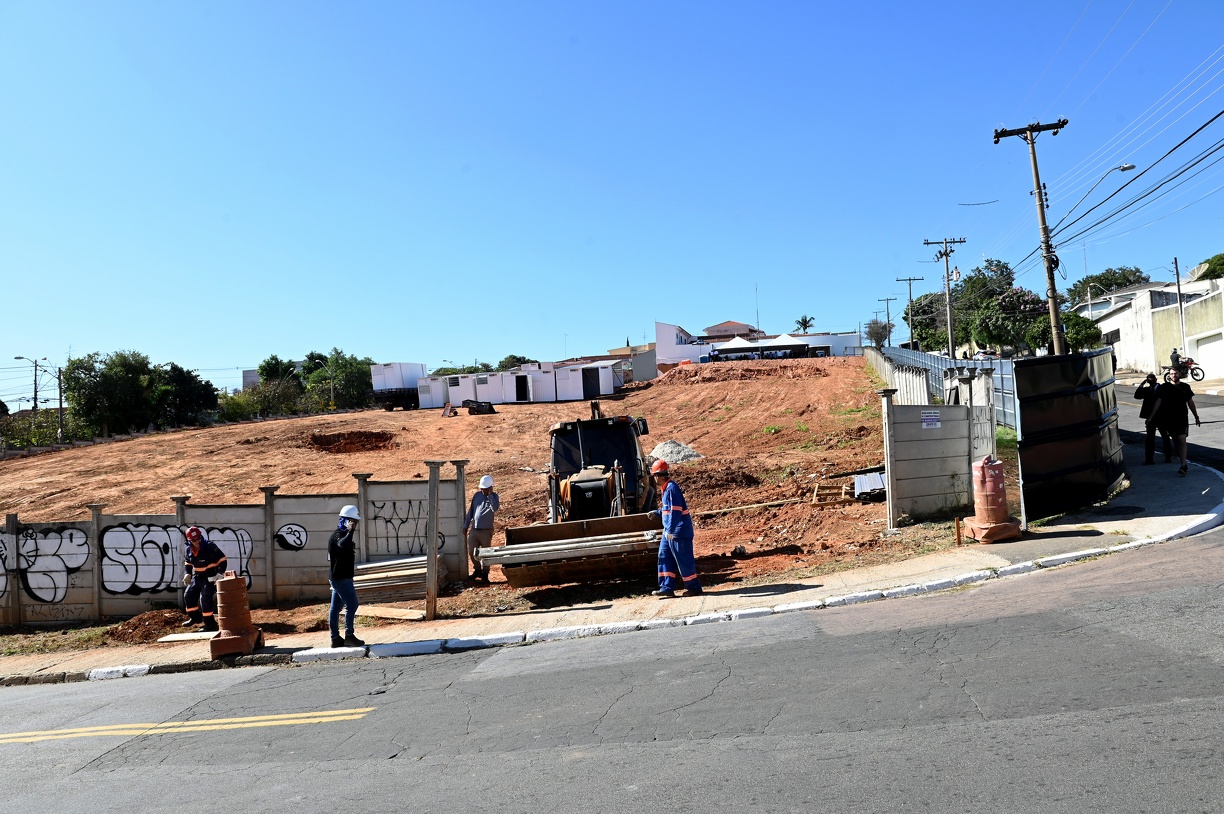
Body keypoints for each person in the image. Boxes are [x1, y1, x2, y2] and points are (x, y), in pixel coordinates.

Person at [647, 460, 702, 598]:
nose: (654, 478)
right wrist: (657, 513)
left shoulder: (672, 488)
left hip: (678, 532)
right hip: (670, 532)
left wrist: (671, 530)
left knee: (684, 560)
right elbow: (667, 510)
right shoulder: (666, 489)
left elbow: (676, 511)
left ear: (658, 475)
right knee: (664, 557)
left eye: (654, 475)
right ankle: (666, 588)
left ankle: (694, 587)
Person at [1147, 367, 1201, 477]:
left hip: (1182, 418)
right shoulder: (1164, 387)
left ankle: (1183, 464)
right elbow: (1158, 402)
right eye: (1171, 374)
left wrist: (1196, 416)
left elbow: (1190, 402)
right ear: (1169, 375)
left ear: (1180, 374)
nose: (1173, 376)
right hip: (1169, 418)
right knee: (1176, 441)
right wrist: (1151, 417)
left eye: (1175, 373)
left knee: (1182, 440)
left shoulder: (1185, 387)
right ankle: (1183, 462)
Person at [327, 505, 364, 648]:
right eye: (353, 522)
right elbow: (342, 545)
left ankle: (335, 638)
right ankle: (349, 636)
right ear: (346, 521)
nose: (355, 525)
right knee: (352, 604)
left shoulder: (344, 535)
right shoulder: (338, 535)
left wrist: (350, 532)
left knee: (335, 608)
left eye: (356, 522)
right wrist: (351, 531)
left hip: (341, 577)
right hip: (340, 578)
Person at [181, 526, 227, 632]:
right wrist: (187, 574)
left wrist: (219, 574)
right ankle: (195, 618)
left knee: (205, 598)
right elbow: (188, 563)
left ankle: (210, 624)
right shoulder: (189, 549)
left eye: (198, 538)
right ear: (189, 541)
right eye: (194, 540)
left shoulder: (210, 546)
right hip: (197, 576)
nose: (197, 541)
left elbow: (223, 560)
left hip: (210, 576)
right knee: (188, 595)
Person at [463, 475, 499, 582]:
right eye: (482, 488)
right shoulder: (477, 496)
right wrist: (466, 526)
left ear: (490, 488)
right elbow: (471, 511)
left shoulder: (494, 496)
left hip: (486, 530)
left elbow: (494, 508)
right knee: (471, 551)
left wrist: (490, 495)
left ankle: (485, 574)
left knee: (486, 553)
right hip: (474, 529)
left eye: (485, 488)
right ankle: (477, 570)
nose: (482, 490)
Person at [1134, 372, 1173, 465]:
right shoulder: (1147, 390)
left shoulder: (1162, 388)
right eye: (1148, 380)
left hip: (1162, 417)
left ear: (1156, 379)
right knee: (1150, 439)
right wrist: (1141, 385)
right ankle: (1149, 459)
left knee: (1165, 437)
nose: (1150, 381)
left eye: (1152, 379)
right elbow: (1137, 396)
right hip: (1150, 418)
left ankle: (1168, 457)